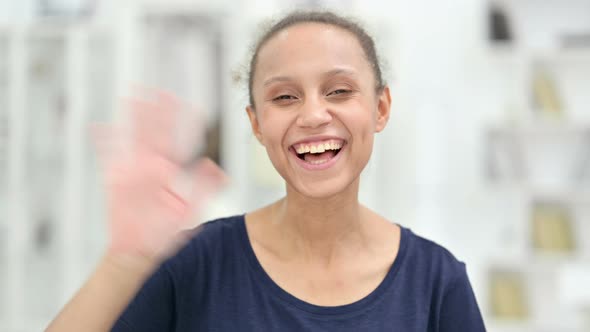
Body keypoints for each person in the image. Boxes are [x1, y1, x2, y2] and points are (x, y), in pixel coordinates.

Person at [47, 10, 486, 332]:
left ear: (381, 108)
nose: (314, 114)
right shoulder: (197, 263)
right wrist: (125, 262)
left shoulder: (436, 281)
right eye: (284, 97)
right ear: (256, 123)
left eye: (338, 90)